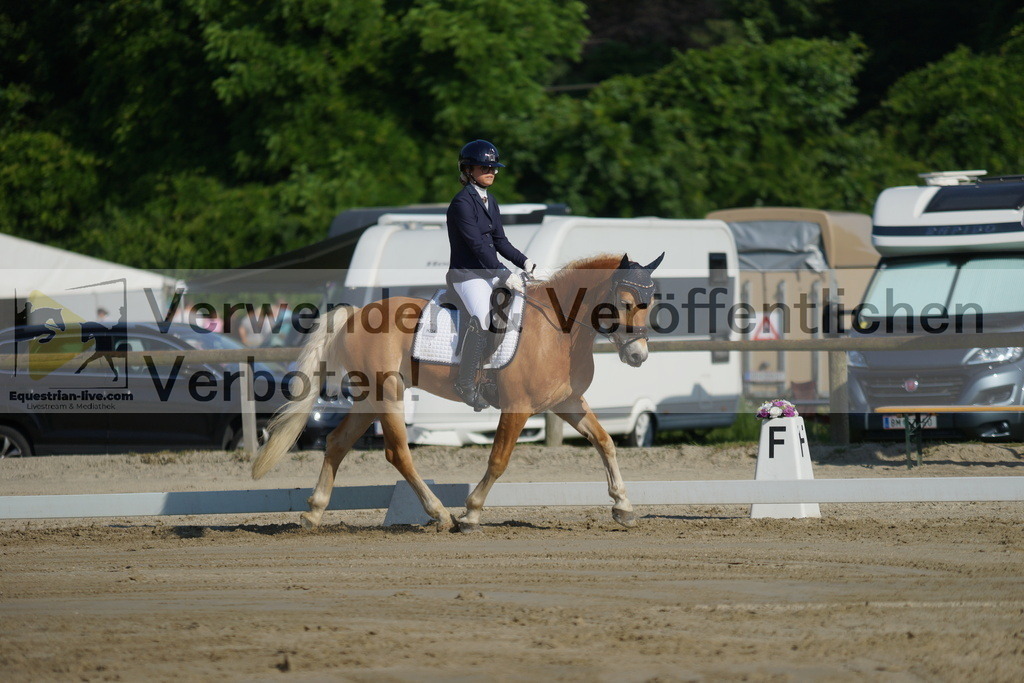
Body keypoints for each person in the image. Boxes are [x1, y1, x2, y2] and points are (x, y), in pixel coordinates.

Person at [446, 139, 536, 410]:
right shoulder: (462, 203)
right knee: (484, 319)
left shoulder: (490, 200)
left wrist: (525, 262)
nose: (492, 171)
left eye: (494, 167)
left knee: (513, 315)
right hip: (467, 275)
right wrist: (502, 273)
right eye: (485, 167)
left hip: (487, 274)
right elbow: (475, 244)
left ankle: (488, 376)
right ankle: (465, 383)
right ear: (468, 169)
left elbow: (500, 241)